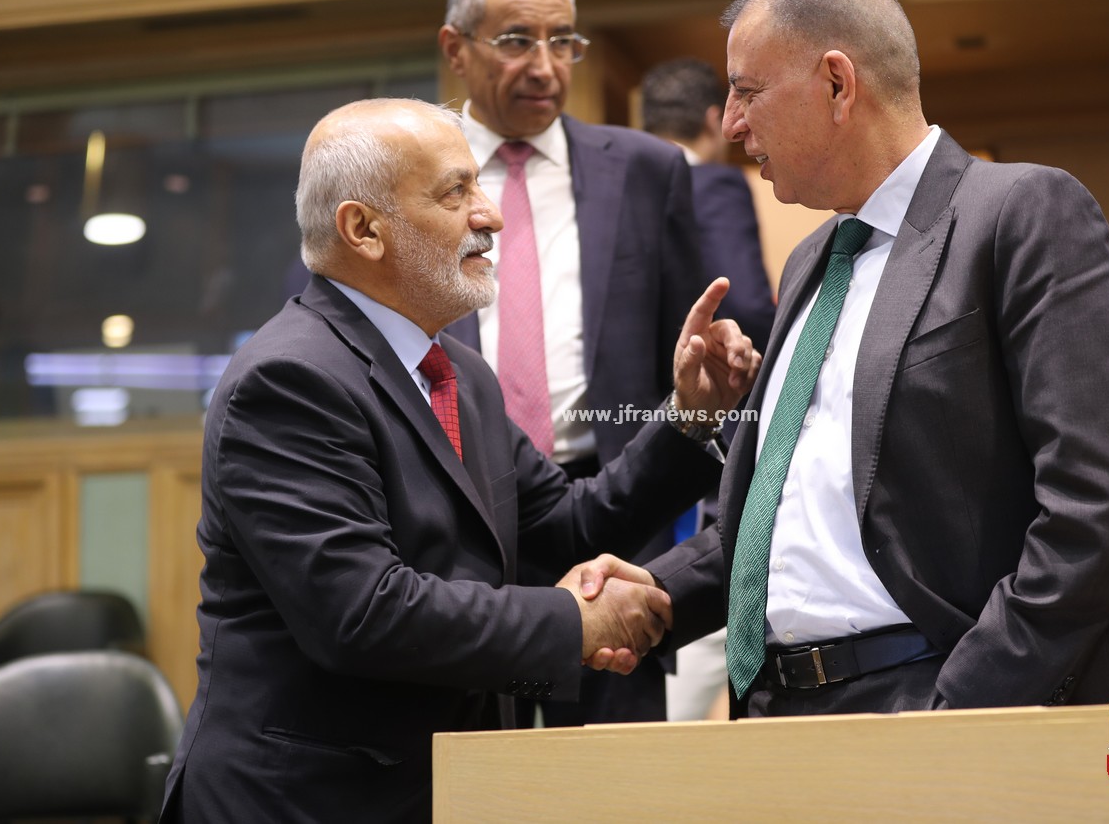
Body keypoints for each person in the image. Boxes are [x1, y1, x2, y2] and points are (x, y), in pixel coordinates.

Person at [586, 0, 1109, 717]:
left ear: (838, 84)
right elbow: (803, 507)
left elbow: (1103, 505)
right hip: (786, 713)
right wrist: (660, 590)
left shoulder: (1022, 212)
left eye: (747, 90)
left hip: (958, 702)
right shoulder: (812, 260)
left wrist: (964, 704)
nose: (731, 123)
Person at [158, 98, 757, 823]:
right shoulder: (289, 380)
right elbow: (363, 613)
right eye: (455, 192)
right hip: (304, 801)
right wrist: (575, 621)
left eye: (480, 185)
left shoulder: (458, 373)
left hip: (443, 788)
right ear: (363, 229)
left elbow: (569, 526)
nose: (491, 215)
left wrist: (690, 417)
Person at [437, 0, 706, 726]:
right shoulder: (411, 172)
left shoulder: (648, 170)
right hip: (460, 522)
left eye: (564, 41)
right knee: (473, 764)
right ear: (456, 48)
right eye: (517, 40)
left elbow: (689, 358)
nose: (546, 65)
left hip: (611, 523)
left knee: (612, 772)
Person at [639, 57, 777, 720]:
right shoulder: (714, 184)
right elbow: (741, 303)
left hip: (626, 432)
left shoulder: (614, 190)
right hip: (705, 424)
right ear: (711, 119)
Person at [640, 57, 776, 355]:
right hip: (701, 372)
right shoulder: (715, 185)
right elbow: (747, 305)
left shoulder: (622, 189)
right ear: (714, 120)